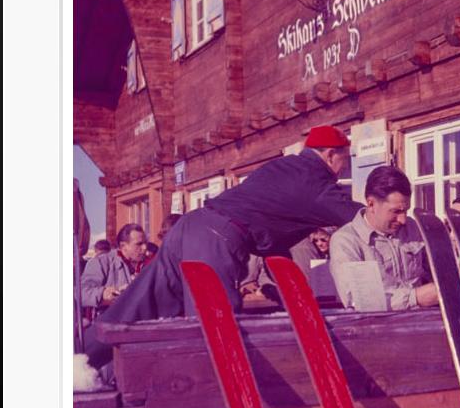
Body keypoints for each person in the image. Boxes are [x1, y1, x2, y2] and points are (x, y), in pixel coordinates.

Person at [83, 125, 361, 370]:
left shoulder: (284, 166)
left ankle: (77, 363)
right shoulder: (316, 181)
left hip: (191, 226)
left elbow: (271, 219)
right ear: (329, 154)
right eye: (343, 162)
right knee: (215, 333)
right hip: (215, 239)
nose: (342, 170)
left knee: (135, 306)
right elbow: (360, 220)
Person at [330, 165, 439, 311]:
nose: (403, 220)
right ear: (371, 204)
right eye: (396, 211)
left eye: (406, 211)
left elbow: (434, 269)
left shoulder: (412, 228)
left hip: (421, 323)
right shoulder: (346, 241)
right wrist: (416, 297)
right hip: (380, 329)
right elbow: (358, 302)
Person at [81, 223, 148, 315]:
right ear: (123, 246)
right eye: (139, 244)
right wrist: (103, 294)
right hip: (111, 324)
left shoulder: (148, 264)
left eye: (145, 243)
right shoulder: (101, 263)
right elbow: (81, 293)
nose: (144, 248)